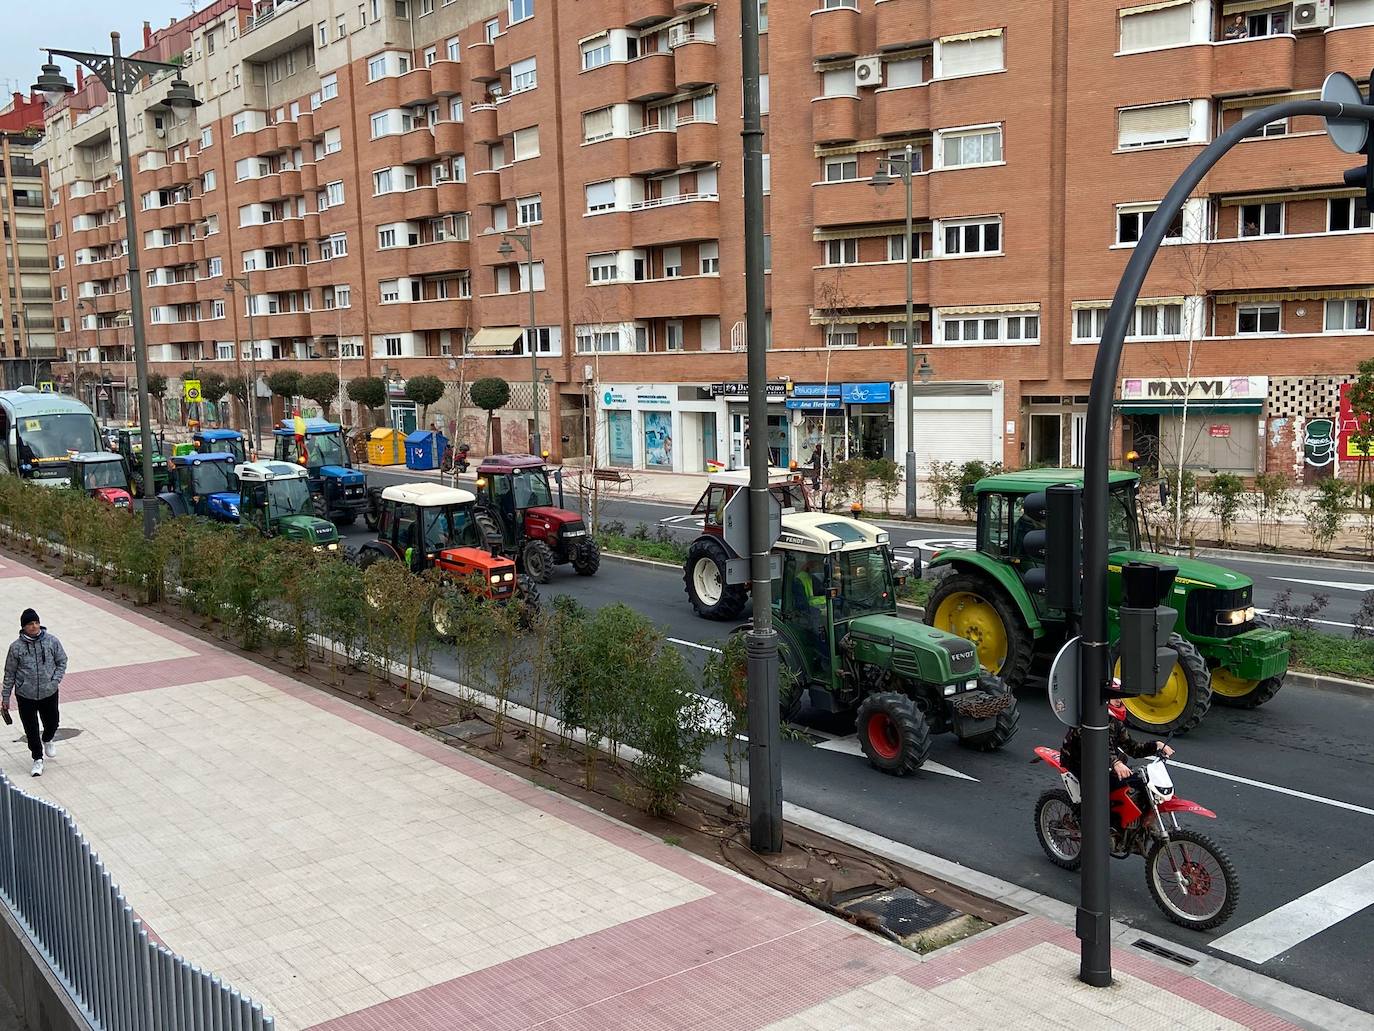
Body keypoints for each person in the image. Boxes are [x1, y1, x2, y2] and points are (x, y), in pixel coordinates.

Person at [1059, 699, 1173, 831]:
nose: (1118, 700)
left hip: (1105, 763)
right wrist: (1115, 762)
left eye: (1119, 696)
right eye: (1114, 697)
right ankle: (1100, 829)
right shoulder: (1087, 720)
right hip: (1081, 763)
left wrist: (1155, 746)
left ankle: (1137, 823)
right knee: (1109, 790)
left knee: (1142, 783)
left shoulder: (1115, 722)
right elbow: (1094, 747)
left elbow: (1132, 747)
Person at [2, 609, 68, 777]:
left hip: (49, 691)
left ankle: (47, 739)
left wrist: (55, 681)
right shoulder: (16, 648)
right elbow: (9, 673)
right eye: (30, 624)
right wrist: (5, 697)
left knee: (53, 722)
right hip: (25, 695)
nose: (34, 626)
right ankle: (37, 759)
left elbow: (62, 661)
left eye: (36, 623)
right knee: (31, 729)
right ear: (24, 627)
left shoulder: (51, 641)